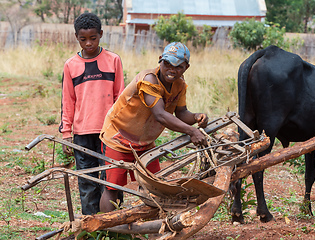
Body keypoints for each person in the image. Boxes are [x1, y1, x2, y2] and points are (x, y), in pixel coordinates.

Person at [99, 42, 208, 212]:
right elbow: (160, 115)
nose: (171, 69)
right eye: (167, 64)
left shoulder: (180, 85)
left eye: (178, 66)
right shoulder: (148, 79)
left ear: (186, 67)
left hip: (145, 141)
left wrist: (195, 117)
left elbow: (181, 113)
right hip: (119, 137)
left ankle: (148, 227)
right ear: (160, 61)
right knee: (113, 188)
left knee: (154, 184)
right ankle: (107, 231)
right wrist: (192, 131)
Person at [59, 12, 125, 215]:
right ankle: (91, 226)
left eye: (93, 38)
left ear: (101, 34)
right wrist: (66, 132)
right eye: (83, 39)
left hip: (109, 133)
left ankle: (115, 226)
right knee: (86, 182)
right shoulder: (71, 65)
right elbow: (67, 101)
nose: (88, 43)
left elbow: (120, 98)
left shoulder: (113, 60)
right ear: (76, 38)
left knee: (112, 180)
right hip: (82, 133)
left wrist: (122, 129)